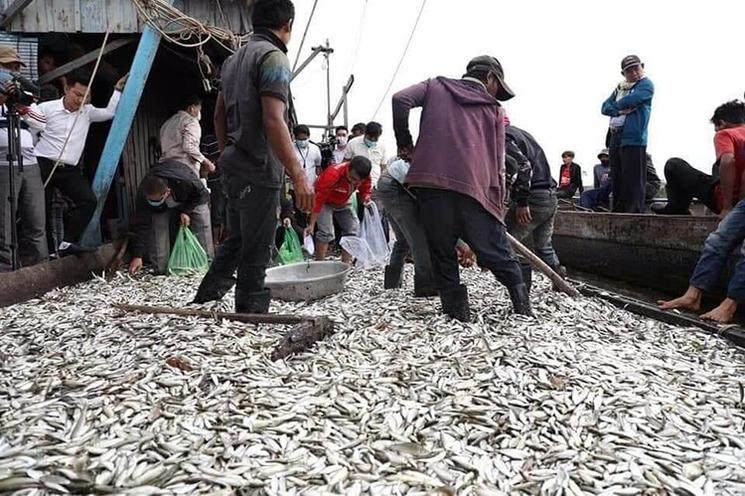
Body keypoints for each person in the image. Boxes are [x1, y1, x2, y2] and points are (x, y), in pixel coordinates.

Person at [192, 0, 314, 313]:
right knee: (258, 244)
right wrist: (299, 174)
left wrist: (228, 153)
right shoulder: (273, 58)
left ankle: (205, 298)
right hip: (259, 166)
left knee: (237, 237)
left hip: (233, 164)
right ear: (288, 25)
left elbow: (218, 115)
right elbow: (274, 119)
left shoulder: (232, 60)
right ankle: (250, 311)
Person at [392, 55, 531, 321]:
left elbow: (400, 99)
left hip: (430, 184)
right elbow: (498, 161)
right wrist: (497, 203)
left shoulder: (434, 86)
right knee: (494, 250)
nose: (495, 94)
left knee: (442, 251)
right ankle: (522, 305)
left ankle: (457, 314)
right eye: (497, 87)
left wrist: (405, 143)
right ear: (490, 77)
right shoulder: (494, 110)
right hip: (474, 188)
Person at [34, 68, 126, 254]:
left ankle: (67, 243)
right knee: (43, 210)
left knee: (88, 200)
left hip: (69, 168)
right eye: (77, 94)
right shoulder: (46, 108)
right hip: (44, 164)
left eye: (86, 96)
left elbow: (109, 113)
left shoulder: (87, 111)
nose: (81, 100)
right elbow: (33, 133)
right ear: (66, 88)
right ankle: (49, 253)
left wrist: (117, 91)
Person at [0, 46, 48, 272]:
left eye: (16, 68)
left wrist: (22, 108)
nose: (13, 72)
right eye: (7, 67)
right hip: (2, 164)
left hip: (28, 163)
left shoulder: (23, 94)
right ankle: (6, 269)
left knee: (36, 218)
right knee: (4, 221)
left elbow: (42, 123)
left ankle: (40, 266)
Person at [652, 101, 745, 216]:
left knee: (674, 165)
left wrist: (728, 208)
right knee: (717, 166)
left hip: (728, 202)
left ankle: (677, 207)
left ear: (721, 123)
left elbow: (728, 161)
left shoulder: (726, 134)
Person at [504, 122, 562, 291]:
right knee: (544, 246)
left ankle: (521, 290)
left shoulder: (504, 136)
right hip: (549, 195)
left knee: (506, 242)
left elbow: (524, 166)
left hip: (532, 198)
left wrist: (522, 202)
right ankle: (560, 282)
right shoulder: (521, 133)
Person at [128, 160, 211, 275]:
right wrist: (138, 256)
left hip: (193, 197)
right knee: (158, 230)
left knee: (201, 222)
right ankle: (161, 269)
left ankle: (207, 263)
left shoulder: (187, 182)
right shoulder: (143, 194)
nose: (152, 202)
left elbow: (199, 194)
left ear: (167, 192)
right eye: (150, 200)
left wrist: (186, 211)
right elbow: (142, 224)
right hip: (162, 207)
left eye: (156, 200)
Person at [375, 158, 436, 296]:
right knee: (418, 240)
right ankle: (426, 286)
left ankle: (392, 284)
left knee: (403, 239)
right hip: (395, 184)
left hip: (390, 180)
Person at [601, 55, 654, 213]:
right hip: (615, 135)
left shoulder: (646, 84)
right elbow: (604, 107)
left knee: (633, 178)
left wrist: (615, 106)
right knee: (617, 176)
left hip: (633, 137)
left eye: (636, 68)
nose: (634, 73)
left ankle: (634, 212)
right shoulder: (620, 88)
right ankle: (619, 212)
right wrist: (619, 110)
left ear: (642, 66)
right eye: (629, 71)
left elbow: (633, 99)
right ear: (623, 74)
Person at [304, 156, 372, 263]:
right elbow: (318, 201)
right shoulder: (333, 174)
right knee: (326, 233)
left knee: (353, 229)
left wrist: (366, 198)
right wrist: (311, 224)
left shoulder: (365, 177)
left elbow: (365, 190)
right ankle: (320, 263)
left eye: (357, 181)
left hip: (343, 200)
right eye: (352, 178)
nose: (353, 181)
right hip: (325, 202)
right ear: (348, 168)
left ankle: (346, 263)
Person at [159, 94, 215, 178]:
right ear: (192, 108)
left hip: (165, 167)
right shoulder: (191, 121)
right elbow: (189, 146)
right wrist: (206, 162)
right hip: (184, 169)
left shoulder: (167, 123)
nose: (200, 113)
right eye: (199, 109)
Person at [345, 121, 386, 188]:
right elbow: (345, 162)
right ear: (365, 133)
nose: (372, 140)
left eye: (375, 138)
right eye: (370, 137)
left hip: (375, 185)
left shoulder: (382, 146)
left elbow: (383, 166)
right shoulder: (353, 143)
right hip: (355, 184)